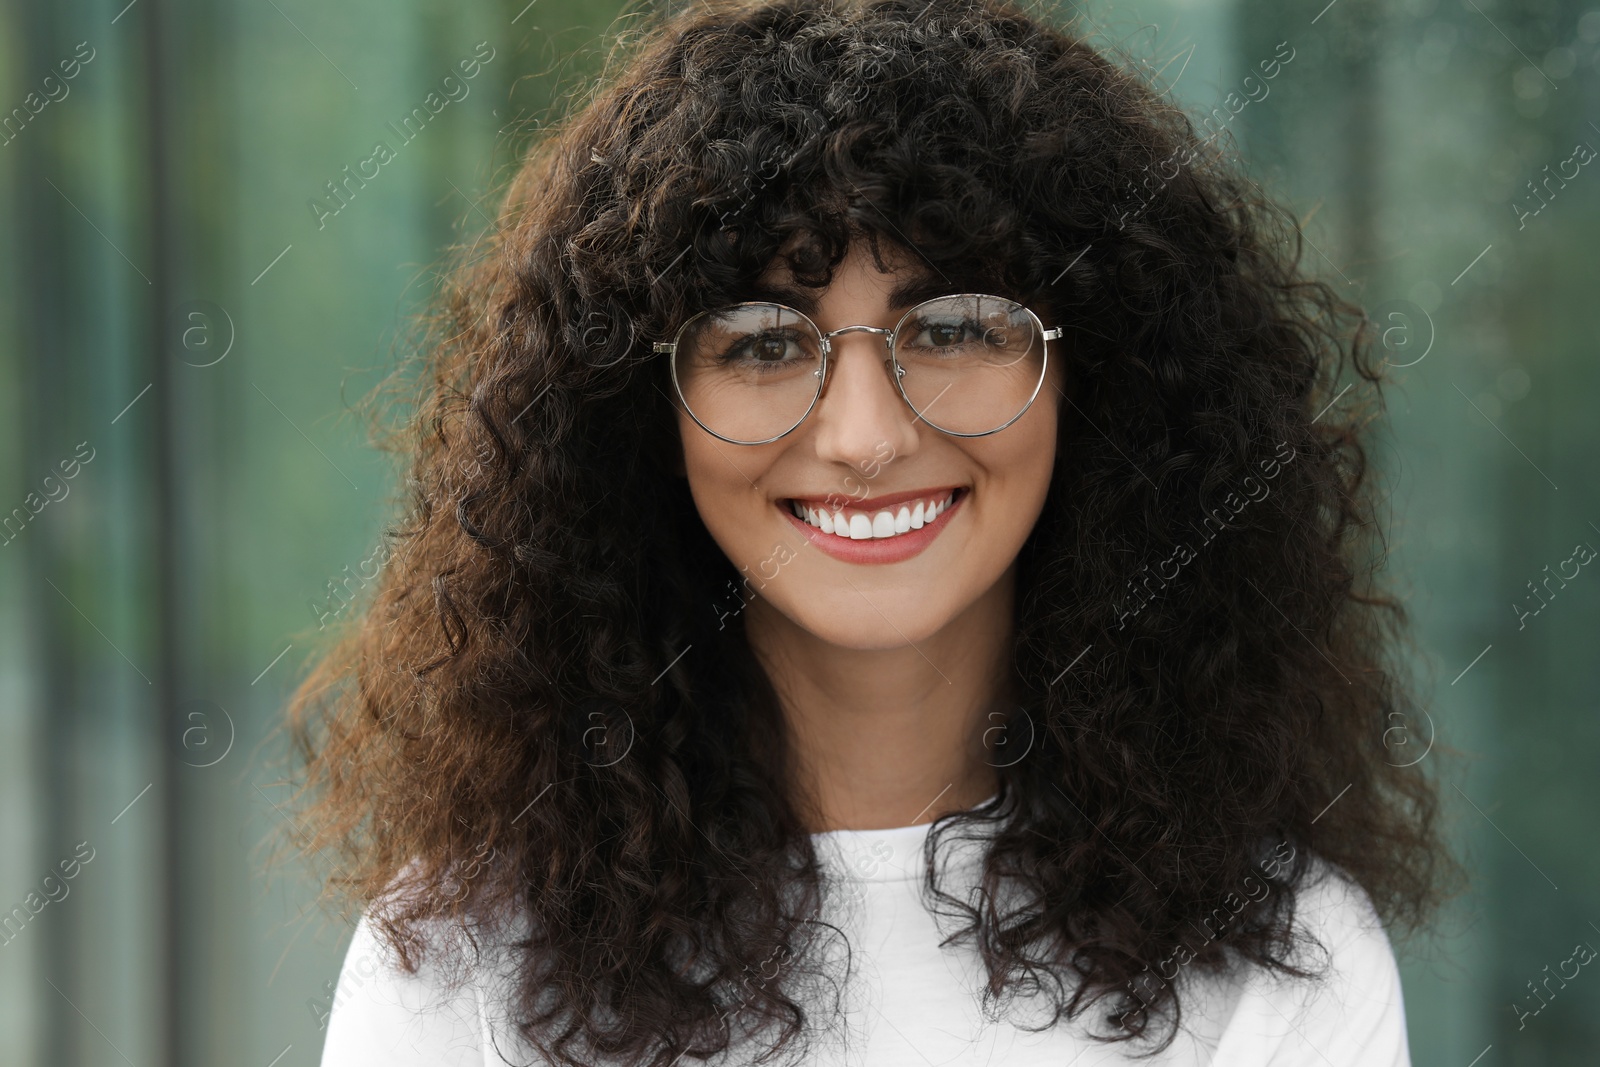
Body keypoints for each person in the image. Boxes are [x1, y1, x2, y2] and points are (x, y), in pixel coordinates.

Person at [283, 1, 1460, 1064]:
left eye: (950, 328)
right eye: (761, 340)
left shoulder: (1276, 963)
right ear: (639, 418)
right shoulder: (464, 971)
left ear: (1091, 384)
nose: (862, 435)